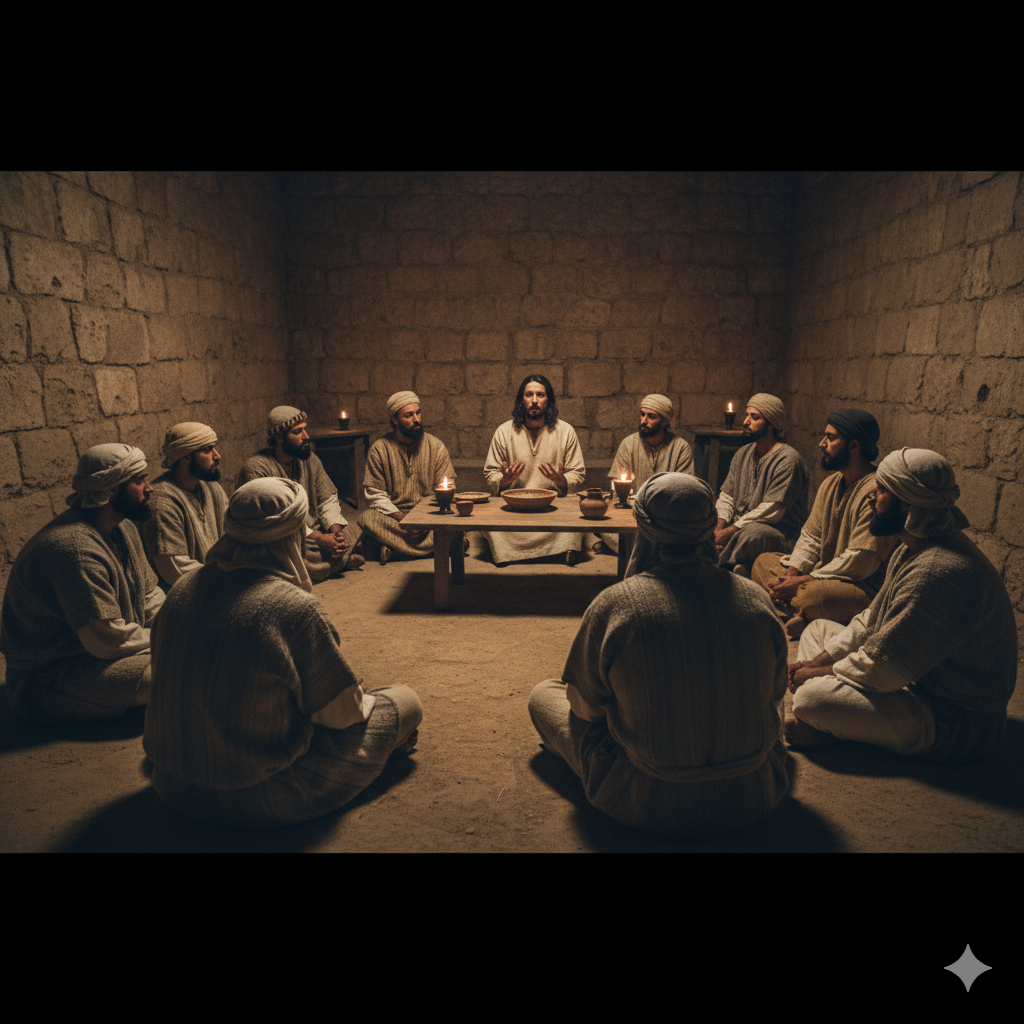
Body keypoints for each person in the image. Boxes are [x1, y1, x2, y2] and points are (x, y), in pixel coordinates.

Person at [143, 478, 424, 827]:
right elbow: (341, 716)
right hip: (256, 794)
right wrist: (354, 694)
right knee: (405, 702)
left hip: (171, 784)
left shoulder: (182, 589)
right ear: (293, 536)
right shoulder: (293, 609)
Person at [528, 472, 790, 838]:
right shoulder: (756, 599)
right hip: (753, 795)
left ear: (645, 527)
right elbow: (776, 692)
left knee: (544, 695)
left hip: (647, 800)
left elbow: (586, 709)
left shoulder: (616, 605)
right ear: (708, 525)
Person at [786, 448, 1017, 762]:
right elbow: (870, 623)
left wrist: (814, 676)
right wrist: (816, 664)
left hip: (953, 718)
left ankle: (826, 723)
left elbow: (884, 668)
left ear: (908, 503)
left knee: (811, 699)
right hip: (911, 680)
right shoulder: (911, 548)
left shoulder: (939, 570)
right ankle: (835, 726)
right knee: (817, 630)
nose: (872, 499)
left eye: (881, 492)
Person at [0, 444, 164, 723]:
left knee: (188, 657)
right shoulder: (75, 549)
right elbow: (105, 639)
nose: (149, 488)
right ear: (112, 490)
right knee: (168, 674)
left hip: (98, 656)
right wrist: (169, 636)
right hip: (50, 675)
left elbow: (150, 594)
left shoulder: (123, 527)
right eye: (140, 480)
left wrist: (178, 625)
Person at [751, 409, 899, 638]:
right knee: (762, 562)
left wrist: (805, 579)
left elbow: (861, 561)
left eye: (830, 438)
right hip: (820, 575)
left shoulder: (876, 491)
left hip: (859, 586)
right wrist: (791, 574)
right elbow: (811, 536)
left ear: (854, 446)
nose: (822, 443)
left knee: (814, 597)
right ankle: (806, 618)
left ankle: (803, 615)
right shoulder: (831, 484)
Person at [235, 406, 363, 582]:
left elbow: (326, 498)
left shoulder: (309, 460)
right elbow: (273, 520)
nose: (306, 436)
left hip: (313, 532)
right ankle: (338, 562)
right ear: (279, 437)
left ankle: (334, 558)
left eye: (305, 429)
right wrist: (318, 538)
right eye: (298, 432)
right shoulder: (257, 469)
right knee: (288, 553)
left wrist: (335, 532)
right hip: (281, 537)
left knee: (356, 527)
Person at [482, 374, 586, 565]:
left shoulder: (565, 431)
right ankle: (526, 553)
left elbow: (577, 473)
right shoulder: (504, 432)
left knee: (576, 521)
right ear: (522, 400)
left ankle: (556, 550)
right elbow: (491, 473)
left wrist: (561, 481)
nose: (535, 400)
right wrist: (505, 480)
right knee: (490, 523)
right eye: (529, 395)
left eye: (540, 395)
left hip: (553, 507)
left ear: (549, 400)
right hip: (514, 508)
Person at [357, 391, 457, 566]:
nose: (417, 419)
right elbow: (375, 494)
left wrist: (424, 518)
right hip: (396, 517)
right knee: (368, 518)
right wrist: (403, 519)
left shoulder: (436, 446)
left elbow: (446, 489)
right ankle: (441, 548)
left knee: (457, 519)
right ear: (395, 420)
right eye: (409, 415)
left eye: (418, 413)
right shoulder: (380, 449)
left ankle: (393, 550)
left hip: (429, 514)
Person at [714, 392, 809, 576]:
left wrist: (729, 532)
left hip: (777, 532)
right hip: (738, 527)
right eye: (747, 415)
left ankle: (718, 566)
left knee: (753, 534)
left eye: (754, 417)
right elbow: (727, 496)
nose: (745, 422)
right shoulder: (743, 453)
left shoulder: (788, 461)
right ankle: (738, 567)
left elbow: (771, 511)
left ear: (772, 424)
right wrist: (719, 527)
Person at [595, 393, 693, 556]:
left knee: (682, 532)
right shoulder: (628, 444)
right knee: (604, 525)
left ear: (664, 421)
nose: (643, 421)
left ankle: (627, 549)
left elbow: (683, 494)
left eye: (651, 416)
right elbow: (616, 491)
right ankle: (647, 551)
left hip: (664, 519)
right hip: (631, 515)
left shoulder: (681, 448)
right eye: (642, 414)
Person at [141, 421, 229, 590]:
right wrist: (225, 580)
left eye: (214, 448)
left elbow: (231, 535)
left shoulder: (212, 487)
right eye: (207, 450)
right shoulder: (162, 502)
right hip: (186, 598)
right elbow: (174, 569)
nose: (217, 456)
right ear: (186, 457)